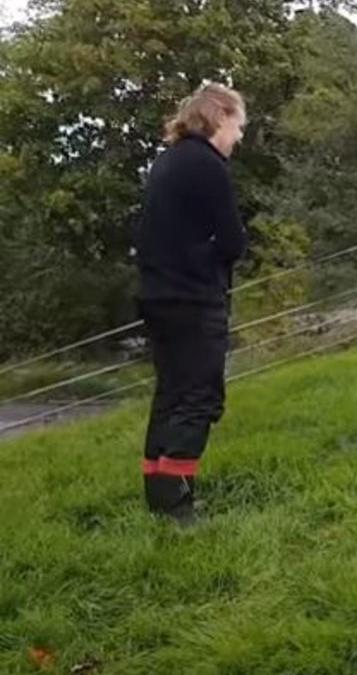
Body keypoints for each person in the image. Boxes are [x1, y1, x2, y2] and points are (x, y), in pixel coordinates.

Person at [134, 83, 247, 525]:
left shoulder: (168, 161)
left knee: (171, 394)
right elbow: (234, 241)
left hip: (158, 296)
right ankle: (179, 506)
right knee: (200, 395)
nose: (239, 136)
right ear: (218, 116)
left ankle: (159, 495)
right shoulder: (207, 165)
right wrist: (215, 260)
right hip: (193, 298)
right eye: (238, 125)